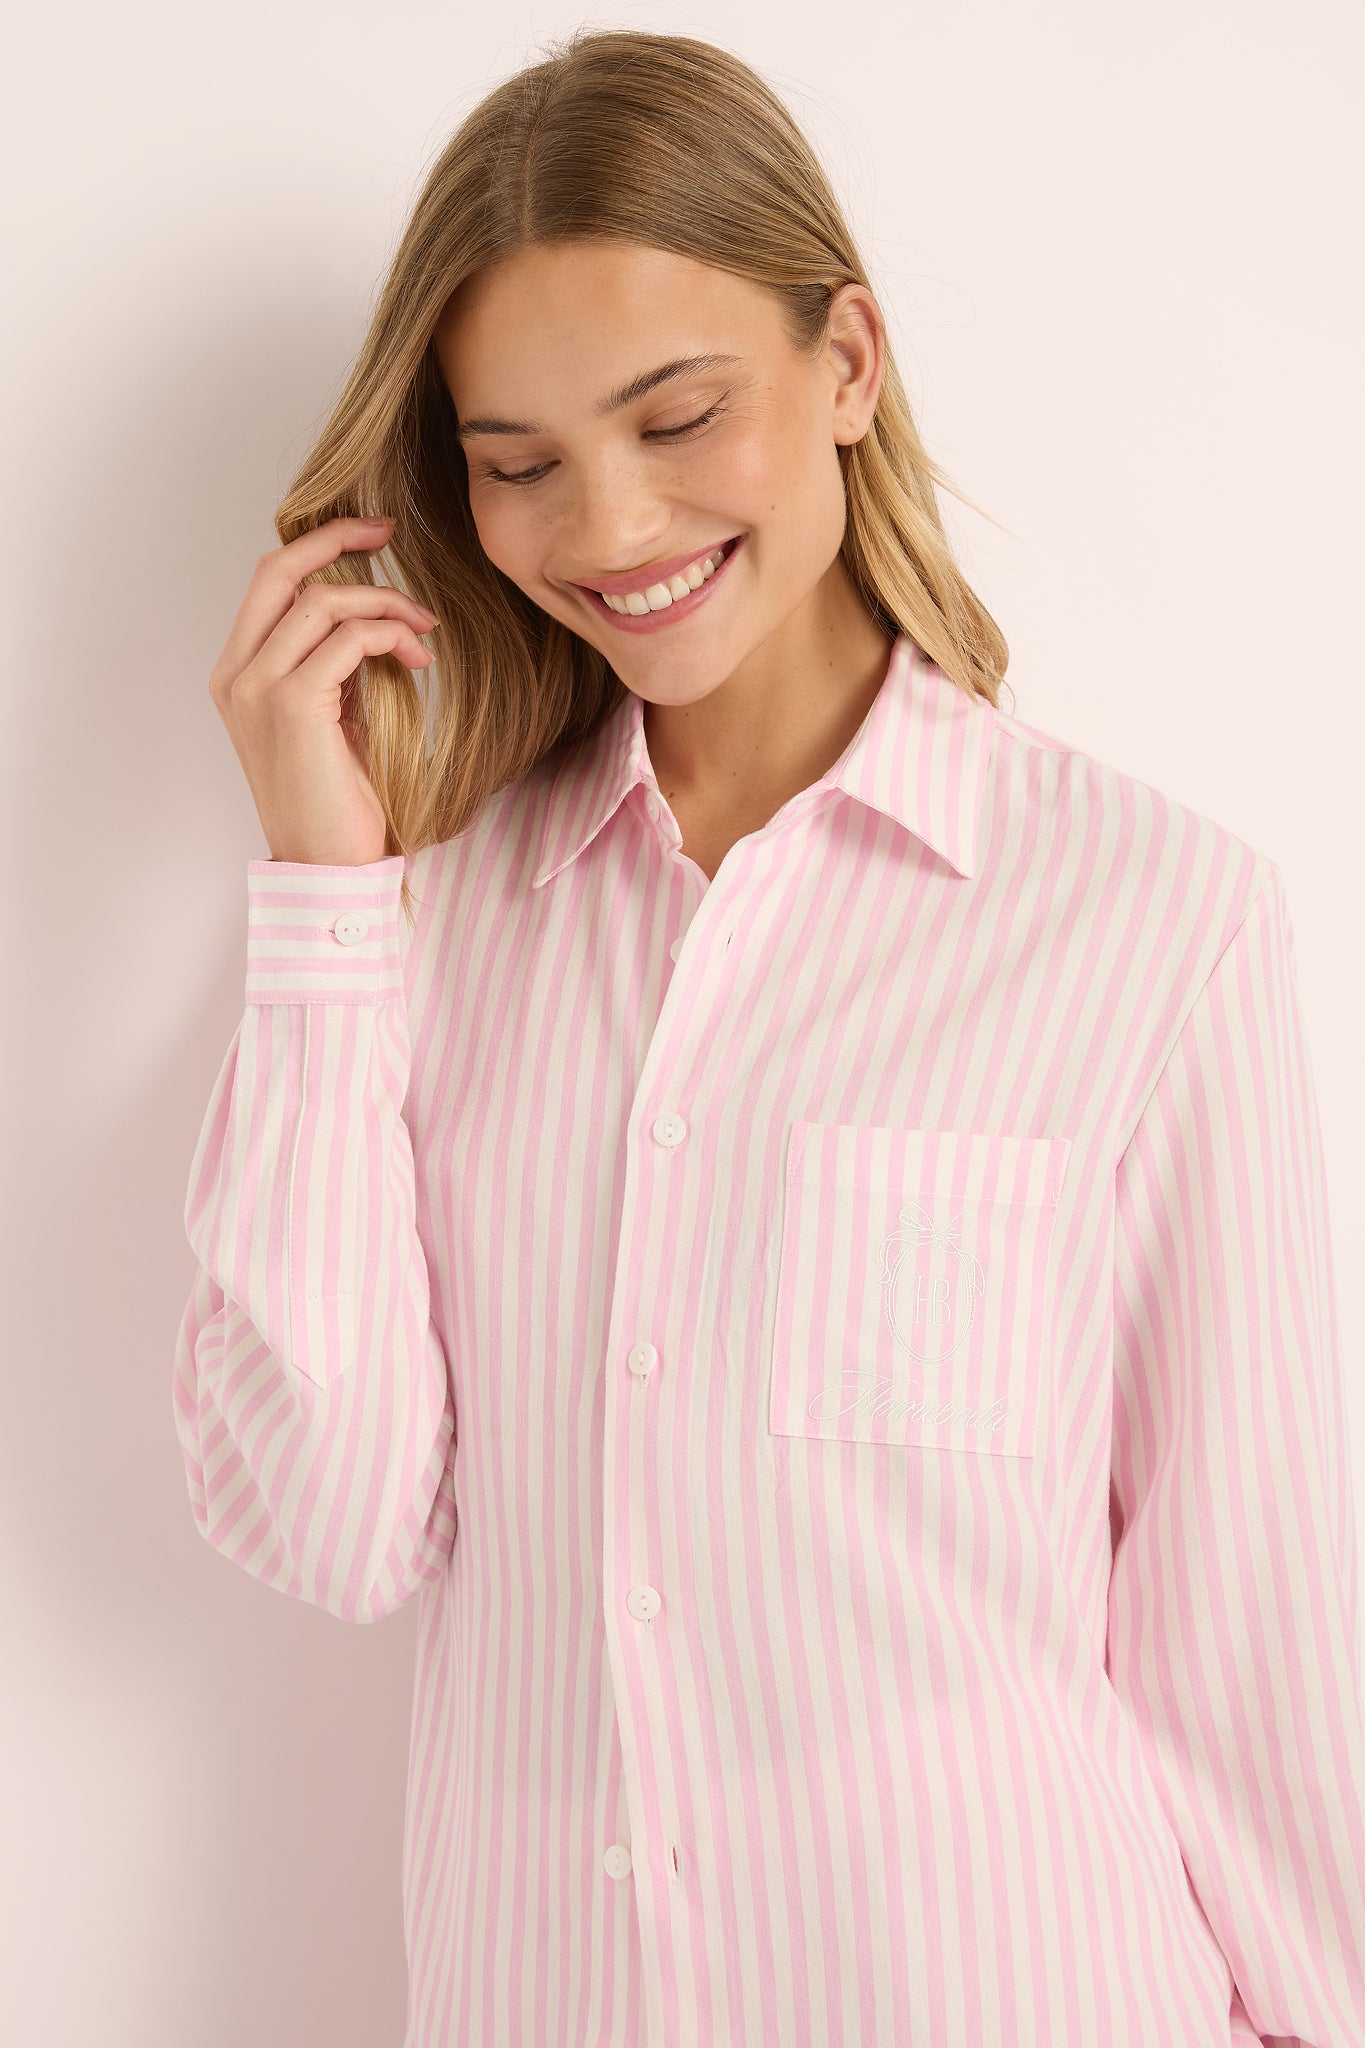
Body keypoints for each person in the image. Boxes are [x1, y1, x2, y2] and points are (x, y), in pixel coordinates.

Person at [172, 27, 1365, 2048]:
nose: (607, 523)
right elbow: (329, 1522)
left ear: (846, 364)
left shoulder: (1151, 920)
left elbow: (1250, 1637)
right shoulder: (426, 934)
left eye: (676, 414)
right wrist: (319, 889)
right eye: (517, 463)